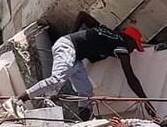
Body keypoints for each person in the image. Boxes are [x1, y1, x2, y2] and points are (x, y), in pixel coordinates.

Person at [23, 14, 154, 121]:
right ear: (129, 39)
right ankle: (18, 99)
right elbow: (130, 77)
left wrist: (71, 35)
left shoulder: (105, 31)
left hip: (74, 55)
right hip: (68, 49)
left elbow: (82, 15)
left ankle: (85, 123)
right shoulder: (122, 47)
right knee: (55, 82)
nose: (132, 50)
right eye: (134, 46)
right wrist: (146, 102)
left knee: (86, 93)